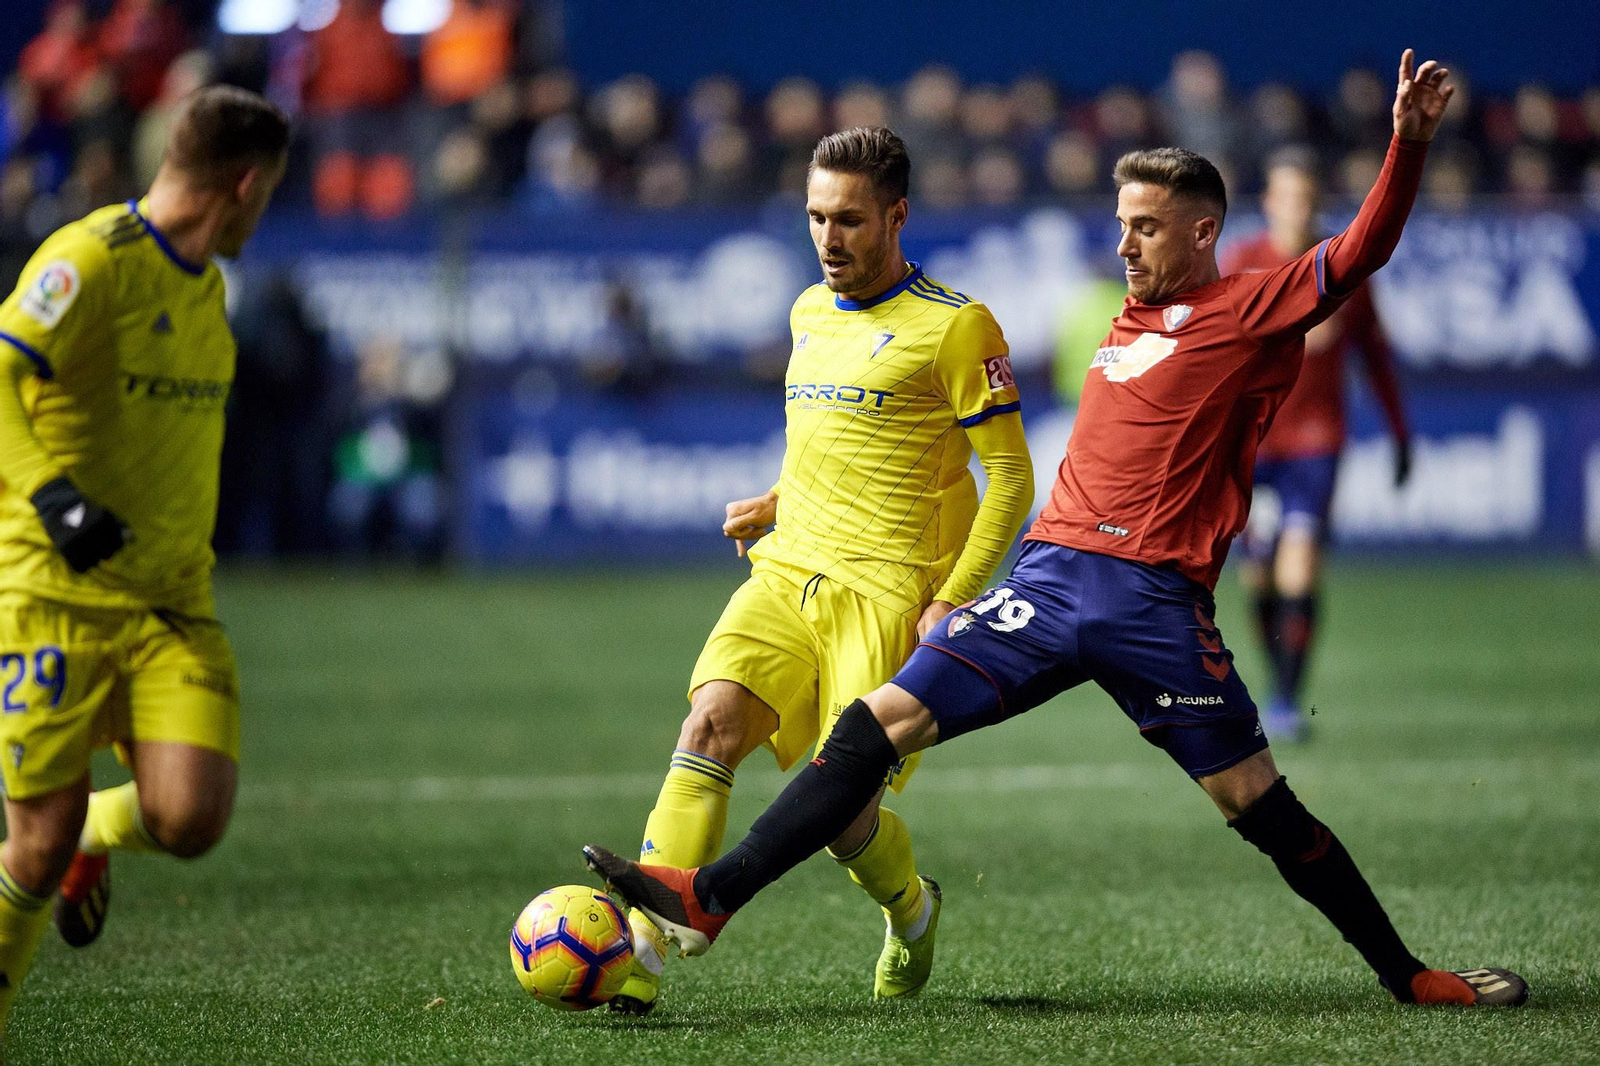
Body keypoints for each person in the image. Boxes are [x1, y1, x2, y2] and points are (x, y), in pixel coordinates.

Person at [585, 52, 1528, 1010]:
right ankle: (708, 898)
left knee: (1254, 802)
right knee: (875, 724)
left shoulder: (1249, 310)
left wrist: (1407, 144)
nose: (1125, 246)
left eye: (1147, 229)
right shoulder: (1123, 318)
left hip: (1151, 601)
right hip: (1043, 582)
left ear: (1205, 233)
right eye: (1121, 226)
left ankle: (1409, 975)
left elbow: (1361, 251)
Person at [610, 126, 1033, 1013]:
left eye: (849, 220)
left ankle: (913, 912)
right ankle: (637, 956)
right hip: (785, 572)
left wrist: (955, 599)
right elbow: (836, 443)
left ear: (897, 216)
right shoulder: (808, 310)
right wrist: (775, 500)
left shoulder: (955, 327)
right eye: (815, 218)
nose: (829, 239)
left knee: (842, 820)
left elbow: (1012, 480)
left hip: (886, 598)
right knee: (709, 725)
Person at [0, 85, 289, 1035]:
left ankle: (97, 829)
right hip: (55, 595)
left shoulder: (206, 282)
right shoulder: (90, 260)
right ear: (243, 184)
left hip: (171, 604)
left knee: (191, 819)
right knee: (31, 849)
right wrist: (51, 492)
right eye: (270, 192)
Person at [1222, 151, 1411, 742]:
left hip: (1315, 443)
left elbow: (1375, 356)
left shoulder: (1342, 265)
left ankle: (1284, 700)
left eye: (1306, 197)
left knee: (1299, 561)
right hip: (1254, 441)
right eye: (1287, 196)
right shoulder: (1245, 262)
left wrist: (1401, 433)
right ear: (1270, 203)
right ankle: (1274, 685)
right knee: (1258, 575)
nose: (1297, 208)